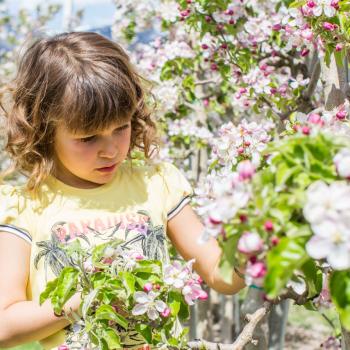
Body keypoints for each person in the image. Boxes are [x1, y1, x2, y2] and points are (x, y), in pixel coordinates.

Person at [0, 32, 245, 350]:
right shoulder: (24, 206)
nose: (111, 150)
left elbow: (219, 275)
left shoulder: (156, 184)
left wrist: (250, 246)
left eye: (121, 127)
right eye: (88, 138)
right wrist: (88, 296)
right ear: (45, 130)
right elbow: (4, 327)